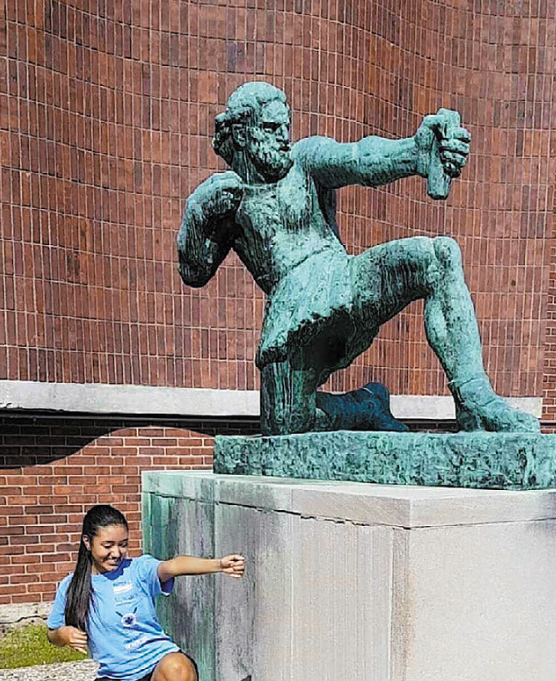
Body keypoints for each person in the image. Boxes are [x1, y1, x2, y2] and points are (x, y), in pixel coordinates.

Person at [177, 81, 537, 436]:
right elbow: (194, 272)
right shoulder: (224, 198)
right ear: (241, 135)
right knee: (284, 426)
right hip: (290, 321)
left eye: (286, 126)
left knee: (438, 257)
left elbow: (360, 159)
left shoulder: (305, 160)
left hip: (343, 283)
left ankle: (474, 398)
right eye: (271, 129)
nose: (284, 136)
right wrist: (196, 217)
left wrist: (414, 153)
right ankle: (365, 404)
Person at [46, 505, 246, 681]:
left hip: (158, 669)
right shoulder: (71, 587)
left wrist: (218, 565)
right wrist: (63, 635)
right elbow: (52, 634)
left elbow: (174, 565)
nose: (117, 552)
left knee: (178, 667)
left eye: (123, 544)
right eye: (108, 545)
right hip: (119, 680)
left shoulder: (137, 570)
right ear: (87, 543)